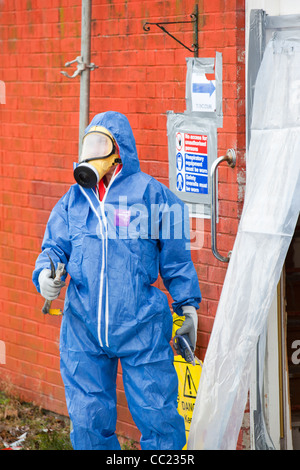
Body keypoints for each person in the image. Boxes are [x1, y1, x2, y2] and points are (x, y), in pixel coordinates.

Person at [32, 111, 201, 450]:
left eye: (101, 144)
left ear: (118, 151)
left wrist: (188, 307)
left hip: (141, 325)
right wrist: (45, 274)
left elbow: (177, 259)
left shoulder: (154, 196)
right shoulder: (74, 200)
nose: (92, 154)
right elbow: (54, 247)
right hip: (84, 326)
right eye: (88, 144)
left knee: (159, 418)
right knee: (88, 423)